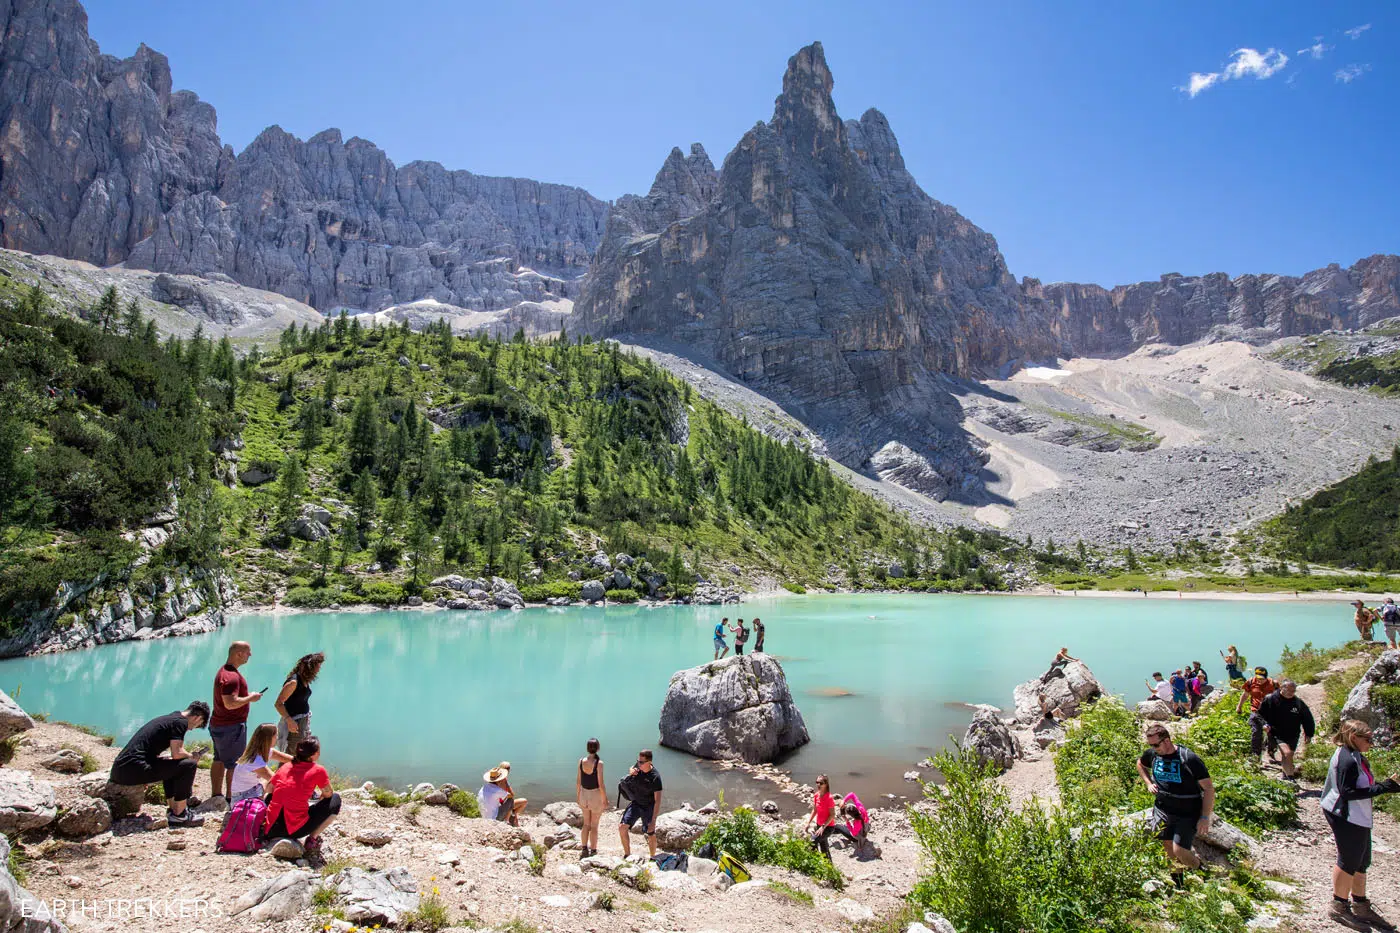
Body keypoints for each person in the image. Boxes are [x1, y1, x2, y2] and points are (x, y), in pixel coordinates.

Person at [1320, 720, 1400, 930]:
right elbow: (1348, 793)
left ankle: (1360, 905)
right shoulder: (1347, 760)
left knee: (1362, 860)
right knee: (1348, 860)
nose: (1371, 743)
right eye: (1368, 739)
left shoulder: (1353, 754)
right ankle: (1338, 906)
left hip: (1358, 816)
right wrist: (1383, 788)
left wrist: (1385, 787)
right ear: (1354, 737)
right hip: (1345, 815)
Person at [109, 702, 212, 828]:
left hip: (122, 769)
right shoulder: (181, 722)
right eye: (197, 725)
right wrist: (193, 756)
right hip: (132, 770)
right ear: (197, 718)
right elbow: (177, 752)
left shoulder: (172, 717)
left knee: (174, 764)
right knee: (188, 765)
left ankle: (174, 809)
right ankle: (180, 815)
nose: (191, 729)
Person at [1137, 722, 1215, 886]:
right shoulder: (1152, 754)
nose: (1153, 748)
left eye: (1156, 744)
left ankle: (1203, 872)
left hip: (1187, 811)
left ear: (1166, 741)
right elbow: (1140, 764)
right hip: (1163, 808)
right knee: (1167, 845)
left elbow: (1208, 789)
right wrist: (1148, 783)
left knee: (1179, 850)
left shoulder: (1188, 758)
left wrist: (1205, 817)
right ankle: (1178, 885)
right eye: (1150, 745)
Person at [263, 736, 341, 860]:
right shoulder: (318, 770)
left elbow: (269, 789)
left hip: (270, 828)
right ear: (314, 755)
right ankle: (312, 839)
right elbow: (329, 794)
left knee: (272, 797)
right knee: (335, 800)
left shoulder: (286, 766)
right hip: (294, 830)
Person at [209, 641, 263, 801]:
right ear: (238, 653)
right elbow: (230, 703)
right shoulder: (231, 677)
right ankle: (232, 797)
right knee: (235, 763)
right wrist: (250, 698)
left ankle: (216, 795)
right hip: (231, 727)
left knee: (218, 759)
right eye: (248, 652)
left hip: (219, 723)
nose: (250, 655)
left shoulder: (224, 672)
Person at [1257, 680, 1315, 780]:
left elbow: (1307, 718)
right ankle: (1290, 778)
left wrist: (1309, 733)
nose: (1291, 693)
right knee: (1287, 753)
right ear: (1281, 688)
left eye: (1293, 691)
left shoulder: (1298, 703)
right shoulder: (1270, 699)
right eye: (1289, 690)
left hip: (1293, 734)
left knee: (1288, 756)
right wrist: (1264, 724)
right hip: (1276, 733)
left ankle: (1285, 775)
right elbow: (1260, 714)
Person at [229, 723, 294, 803]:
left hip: (252, 789)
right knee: (275, 785)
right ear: (269, 738)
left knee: (275, 780)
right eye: (276, 735)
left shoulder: (262, 751)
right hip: (243, 798)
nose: (277, 738)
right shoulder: (255, 761)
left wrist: (306, 763)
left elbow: (290, 760)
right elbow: (276, 780)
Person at [617, 749, 662, 859]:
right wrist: (631, 771)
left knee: (650, 832)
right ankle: (627, 854)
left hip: (649, 806)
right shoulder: (638, 765)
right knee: (622, 827)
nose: (639, 764)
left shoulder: (655, 777)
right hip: (636, 803)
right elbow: (631, 768)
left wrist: (653, 820)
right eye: (638, 761)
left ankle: (652, 857)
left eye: (642, 762)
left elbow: (658, 800)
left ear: (649, 762)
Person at [275, 652, 323, 753]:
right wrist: (289, 721)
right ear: (309, 668)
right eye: (317, 667)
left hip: (302, 721)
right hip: (294, 723)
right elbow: (278, 704)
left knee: (299, 753)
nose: (318, 670)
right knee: (292, 754)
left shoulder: (304, 680)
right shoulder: (294, 682)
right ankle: (283, 769)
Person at [805, 775, 859, 859]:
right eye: (817, 783)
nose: (818, 785)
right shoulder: (816, 795)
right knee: (824, 847)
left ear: (826, 784)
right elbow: (815, 810)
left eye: (821, 783)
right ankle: (828, 867)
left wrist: (823, 827)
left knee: (812, 841)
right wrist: (808, 823)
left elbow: (832, 815)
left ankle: (815, 861)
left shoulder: (829, 798)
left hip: (828, 827)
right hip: (819, 825)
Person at [1235, 666, 1279, 760]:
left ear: (1266, 677)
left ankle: (1270, 750)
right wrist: (1239, 706)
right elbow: (1245, 695)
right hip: (1255, 711)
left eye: (1262, 679)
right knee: (1256, 733)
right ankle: (1256, 756)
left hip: (1270, 712)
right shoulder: (1251, 682)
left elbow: (1278, 698)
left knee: (1272, 733)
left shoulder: (1273, 684)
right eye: (1258, 678)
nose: (1259, 681)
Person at [576, 739, 606, 858]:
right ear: (598, 748)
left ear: (587, 748)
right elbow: (601, 784)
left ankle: (584, 848)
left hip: (583, 794)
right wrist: (605, 799)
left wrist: (578, 796)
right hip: (595, 795)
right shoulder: (599, 763)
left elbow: (578, 781)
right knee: (594, 825)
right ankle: (593, 850)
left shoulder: (581, 761)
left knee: (586, 824)